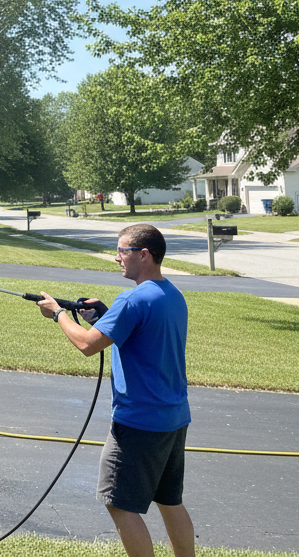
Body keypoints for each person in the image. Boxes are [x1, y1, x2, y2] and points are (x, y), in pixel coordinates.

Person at [37, 223, 195, 557]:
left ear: (144, 254)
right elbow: (139, 334)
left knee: (118, 503)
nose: (116, 258)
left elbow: (86, 345)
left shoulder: (133, 300)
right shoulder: (171, 294)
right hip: (174, 418)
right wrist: (104, 316)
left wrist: (58, 315)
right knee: (170, 501)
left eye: (122, 251)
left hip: (139, 422)